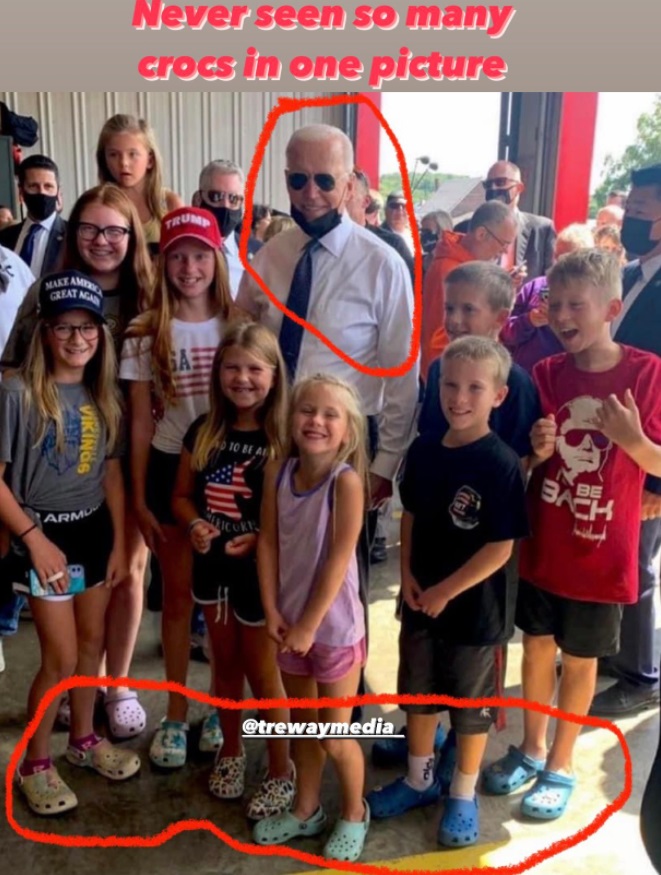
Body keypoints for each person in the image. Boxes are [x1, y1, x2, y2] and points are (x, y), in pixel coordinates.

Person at [236, 124, 418, 689]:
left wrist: (384, 465)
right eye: (297, 178)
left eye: (323, 179)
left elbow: (402, 374)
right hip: (277, 437)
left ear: (350, 182)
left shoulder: (382, 263)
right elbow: (244, 333)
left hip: (345, 446)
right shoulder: (270, 258)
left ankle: (345, 707)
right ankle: (289, 711)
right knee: (282, 565)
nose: (309, 192)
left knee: (341, 579)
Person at [482, 249, 661, 819]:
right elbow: (529, 465)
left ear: (610, 307)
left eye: (575, 304)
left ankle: (561, 762)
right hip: (544, 544)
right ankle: (533, 748)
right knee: (534, 648)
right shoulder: (545, 374)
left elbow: (655, 459)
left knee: (580, 662)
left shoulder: (646, 373)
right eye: (553, 304)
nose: (561, 315)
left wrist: (631, 441)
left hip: (602, 553)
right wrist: (533, 455)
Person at [373, 262, 540, 768]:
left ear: (500, 314)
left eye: (470, 308)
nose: (458, 317)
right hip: (432, 548)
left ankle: (457, 756)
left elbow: (522, 463)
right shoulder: (439, 371)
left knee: (471, 676)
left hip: (480, 557)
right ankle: (424, 746)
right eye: (450, 307)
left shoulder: (514, 383)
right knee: (423, 665)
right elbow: (429, 450)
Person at [1, 185, 154, 729]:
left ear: (132, 237)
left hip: (124, 447)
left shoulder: (146, 295)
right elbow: (14, 367)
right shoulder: (46, 293)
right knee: (63, 643)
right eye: (90, 228)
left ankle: (116, 688)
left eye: (116, 229)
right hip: (48, 474)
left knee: (126, 569)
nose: (102, 240)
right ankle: (65, 700)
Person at [367, 336, 529, 849]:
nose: (459, 397)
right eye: (450, 385)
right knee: (418, 695)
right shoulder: (422, 451)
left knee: (469, 707)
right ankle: (419, 779)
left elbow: (500, 547)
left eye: (474, 388)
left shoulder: (501, 463)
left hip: (476, 615)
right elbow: (409, 514)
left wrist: (446, 590)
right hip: (420, 603)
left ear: (498, 396)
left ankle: (462, 791)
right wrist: (409, 573)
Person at [0, 270, 141, 815]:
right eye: (64, 328)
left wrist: (120, 542)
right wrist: (35, 542)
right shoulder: (15, 394)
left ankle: (82, 739)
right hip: (45, 537)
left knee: (91, 648)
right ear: (43, 332)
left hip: (92, 532)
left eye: (88, 327)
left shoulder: (102, 392)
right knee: (57, 658)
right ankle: (36, 762)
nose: (77, 339)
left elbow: (110, 472)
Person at [120, 207, 234, 768]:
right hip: (169, 469)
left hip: (226, 467)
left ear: (217, 259)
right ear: (162, 263)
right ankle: (174, 711)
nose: (189, 267)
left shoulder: (239, 323)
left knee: (220, 600)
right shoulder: (145, 331)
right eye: (178, 256)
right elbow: (140, 419)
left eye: (199, 255)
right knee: (178, 596)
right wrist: (140, 495)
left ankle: (216, 704)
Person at [172, 321, 296, 819]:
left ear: (274, 375)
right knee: (224, 667)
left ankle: (282, 769)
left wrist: (264, 539)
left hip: (264, 579)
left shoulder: (286, 437)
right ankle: (231, 747)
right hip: (213, 573)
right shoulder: (204, 430)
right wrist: (197, 523)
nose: (241, 378)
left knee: (265, 674)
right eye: (231, 368)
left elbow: (299, 514)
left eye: (253, 369)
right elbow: (181, 497)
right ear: (217, 373)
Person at [253, 374, 370, 863]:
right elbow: (267, 541)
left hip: (335, 631)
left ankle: (353, 812)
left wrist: (308, 625)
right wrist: (273, 609)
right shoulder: (277, 471)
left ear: (347, 431)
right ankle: (306, 809)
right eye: (307, 411)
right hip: (290, 627)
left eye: (330, 414)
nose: (316, 421)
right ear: (290, 417)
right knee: (302, 726)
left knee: (334, 734)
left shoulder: (346, 483)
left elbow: (338, 559)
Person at [590, 164, 661, 717]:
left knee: (637, 564)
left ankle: (640, 673)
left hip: (647, 454)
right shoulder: (632, 272)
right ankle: (608, 653)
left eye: (640, 213)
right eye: (630, 211)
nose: (629, 221)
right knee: (611, 554)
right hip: (610, 444)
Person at [421, 200, 518, 381]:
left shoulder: (461, 262)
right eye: (503, 244)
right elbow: (437, 338)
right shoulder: (449, 270)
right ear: (481, 234)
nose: (504, 252)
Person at [500, 222, 595, 373]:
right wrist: (529, 320)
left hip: (562, 381)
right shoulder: (535, 287)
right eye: (556, 256)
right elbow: (505, 332)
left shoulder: (593, 298)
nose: (559, 264)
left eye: (566, 258)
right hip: (524, 379)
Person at [456, 160, 556, 280]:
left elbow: (551, 282)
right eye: (488, 184)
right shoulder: (465, 228)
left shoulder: (542, 229)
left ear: (519, 188)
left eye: (500, 182)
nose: (493, 188)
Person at [96, 114, 183, 247]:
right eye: (113, 154)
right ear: (104, 160)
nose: (124, 163)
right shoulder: (96, 205)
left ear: (150, 160)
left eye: (133, 154)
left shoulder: (170, 203)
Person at [193, 159, 262, 299]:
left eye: (234, 199)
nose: (225, 205)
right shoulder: (180, 252)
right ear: (198, 200)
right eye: (216, 196)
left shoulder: (259, 254)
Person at [0, 155, 66, 278]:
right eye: (33, 186)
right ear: (21, 192)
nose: (41, 192)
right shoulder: (4, 238)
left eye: (48, 186)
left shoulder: (73, 235)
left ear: (58, 191)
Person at [348, 168, 415, 284]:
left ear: (366, 202)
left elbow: (411, 285)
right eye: (394, 206)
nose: (399, 211)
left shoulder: (392, 243)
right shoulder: (321, 241)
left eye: (350, 196)